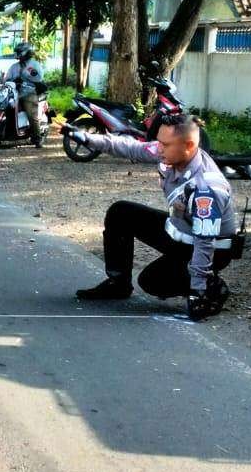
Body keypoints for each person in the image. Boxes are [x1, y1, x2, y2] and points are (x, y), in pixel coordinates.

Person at [67, 113, 237, 320]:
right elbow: (131, 147)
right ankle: (117, 283)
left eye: (165, 144)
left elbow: (205, 242)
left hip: (208, 247)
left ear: (189, 145)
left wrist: (198, 291)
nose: (158, 148)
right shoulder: (169, 153)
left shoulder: (206, 188)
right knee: (120, 212)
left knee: (152, 283)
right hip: (180, 231)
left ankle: (212, 286)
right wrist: (86, 138)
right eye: (159, 142)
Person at [3, 42, 46, 147]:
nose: (17, 54)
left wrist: (25, 77)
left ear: (26, 52)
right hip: (14, 93)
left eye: (19, 52)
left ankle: (37, 139)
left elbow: (38, 78)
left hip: (29, 92)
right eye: (16, 52)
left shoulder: (34, 65)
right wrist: (12, 80)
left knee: (32, 115)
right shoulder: (14, 67)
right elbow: (7, 79)